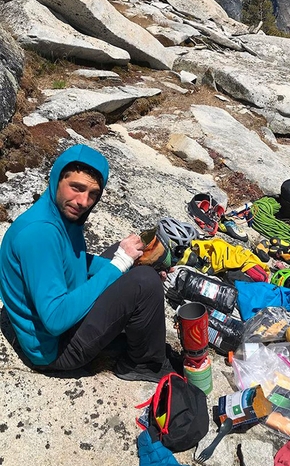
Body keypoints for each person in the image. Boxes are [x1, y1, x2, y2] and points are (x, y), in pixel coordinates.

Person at [0, 144, 173, 382]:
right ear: (57, 179)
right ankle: (143, 365)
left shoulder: (59, 215)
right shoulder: (40, 233)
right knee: (144, 282)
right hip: (54, 349)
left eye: (93, 194)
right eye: (76, 188)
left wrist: (128, 264)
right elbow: (54, 320)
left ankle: (135, 287)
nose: (83, 201)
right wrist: (120, 268)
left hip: (62, 315)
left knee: (128, 259)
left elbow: (74, 258)